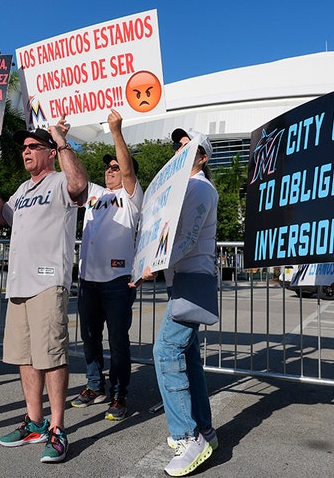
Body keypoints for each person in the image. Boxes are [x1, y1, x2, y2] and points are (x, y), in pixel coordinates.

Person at [0, 117, 87, 464]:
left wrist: (61, 140)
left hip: (47, 280)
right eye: (23, 148)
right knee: (25, 357)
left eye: (33, 147)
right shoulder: (24, 190)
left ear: (50, 153)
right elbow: (3, 217)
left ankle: (57, 428)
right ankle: (35, 422)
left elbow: (80, 184)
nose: (25, 152)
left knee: (51, 356)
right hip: (19, 284)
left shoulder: (59, 182)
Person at [132, 128, 219, 477]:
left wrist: (154, 264)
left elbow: (187, 237)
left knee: (165, 351)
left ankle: (188, 437)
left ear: (202, 157)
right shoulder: (185, 188)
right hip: (183, 279)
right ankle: (205, 429)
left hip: (192, 279)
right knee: (188, 356)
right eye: (178, 147)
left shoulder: (199, 187)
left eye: (188, 148)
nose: (180, 151)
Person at [71, 109, 143, 421]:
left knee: (117, 340)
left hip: (118, 281)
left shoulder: (132, 196)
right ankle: (94, 385)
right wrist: (61, 139)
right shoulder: (95, 196)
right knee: (89, 336)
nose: (110, 171)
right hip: (88, 280)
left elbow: (127, 173)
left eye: (115, 167)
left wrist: (116, 132)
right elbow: (76, 177)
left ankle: (119, 393)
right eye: (108, 168)